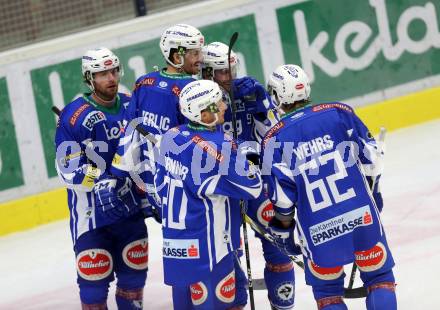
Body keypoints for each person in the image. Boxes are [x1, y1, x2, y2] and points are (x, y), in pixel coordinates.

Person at [261, 64, 397, 310]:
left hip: (317, 231)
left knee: (328, 295)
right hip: (362, 219)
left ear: (277, 96)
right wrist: (374, 194)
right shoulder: (339, 112)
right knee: (379, 280)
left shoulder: (273, 138)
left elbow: (282, 201)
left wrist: (283, 235)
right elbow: (372, 160)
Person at [202, 42, 295, 310]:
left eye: (231, 69)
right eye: (221, 71)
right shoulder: (197, 99)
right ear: (207, 72)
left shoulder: (249, 90)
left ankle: (283, 306)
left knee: (279, 243)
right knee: (228, 255)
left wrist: (261, 106)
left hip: (255, 182)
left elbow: (274, 131)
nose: (228, 76)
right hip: (221, 189)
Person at [55, 47, 148, 309]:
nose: (110, 78)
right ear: (89, 78)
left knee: (133, 285)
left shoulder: (131, 105)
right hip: (91, 219)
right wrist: (101, 178)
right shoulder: (73, 117)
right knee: (93, 294)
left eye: (113, 71)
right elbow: (68, 170)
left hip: (129, 214)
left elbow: (144, 153)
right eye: (102, 74)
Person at [156, 79, 262, 309]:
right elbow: (253, 186)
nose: (224, 107)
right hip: (208, 248)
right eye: (217, 104)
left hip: (176, 246)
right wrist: (249, 154)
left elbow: (158, 186)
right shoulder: (217, 147)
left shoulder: (170, 136)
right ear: (203, 114)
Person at [110, 24, 204, 198]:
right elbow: (200, 138)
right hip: (185, 183)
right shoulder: (191, 89)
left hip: (153, 183)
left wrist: (120, 170)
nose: (200, 58)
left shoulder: (144, 83)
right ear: (177, 56)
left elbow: (129, 128)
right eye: (194, 53)